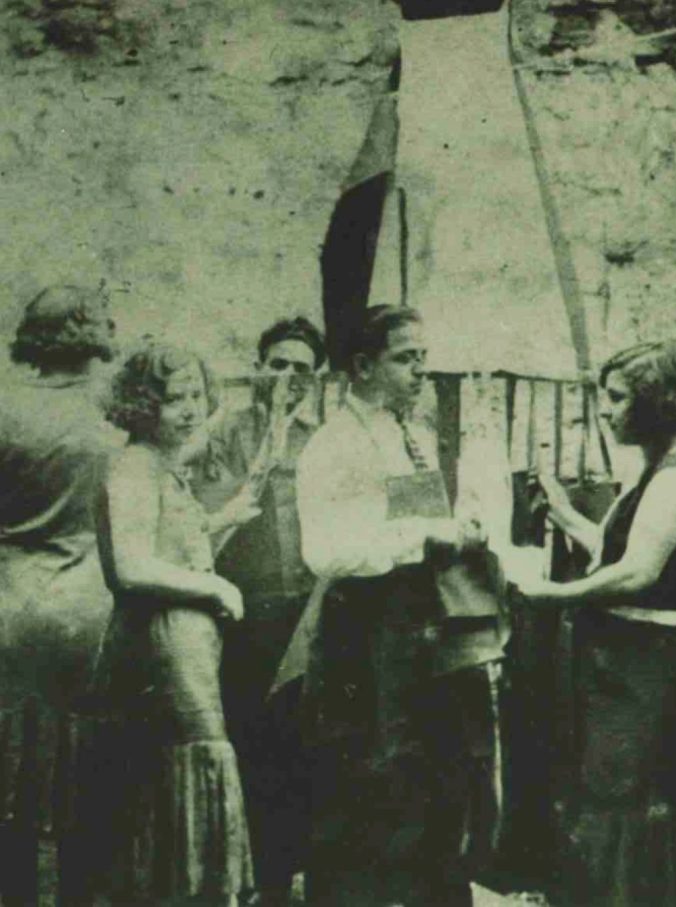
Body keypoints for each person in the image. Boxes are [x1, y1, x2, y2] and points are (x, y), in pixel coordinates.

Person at [291, 305, 506, 907]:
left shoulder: (403, 432)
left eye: (423, 358)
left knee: (434, 784)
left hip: (420, 632)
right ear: (362, 365)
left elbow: (419, 518)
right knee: (366, 786)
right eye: (405, 358)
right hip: (363, 637)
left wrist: (458, 523)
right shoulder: (334, 447)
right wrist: (425, 538)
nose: (420, 372)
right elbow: (327, 552)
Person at [515, 341, 676, 907]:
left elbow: (637, 573)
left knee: (618, 802)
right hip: (623, 662)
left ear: (654, 402)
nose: (606, 410)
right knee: (607, 796)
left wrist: (555, 594)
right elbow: (617, 550)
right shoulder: (658, 467)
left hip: (643, 665)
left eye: (617, 398)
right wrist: (564, 513)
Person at [92, 340, 260, 906]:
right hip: (160, 646)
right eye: (172, 399)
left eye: (195, 395)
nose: (189, 409)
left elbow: (172, 544)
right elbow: (131, 566)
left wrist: (222, 520)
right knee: (179, 770)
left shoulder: (162, 465)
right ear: (142, 404)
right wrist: (215, 584)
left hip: (185, 645)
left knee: (174, 777)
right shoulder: (134, 466)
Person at [189, 316, 326, 906]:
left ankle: (284, 878)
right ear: (258, 366)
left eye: (301, 368)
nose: (287, 377)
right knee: (247, 741)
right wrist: (266, 437)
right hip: (243, 613)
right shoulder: (224, 435)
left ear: (316, 378)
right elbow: (212, 519)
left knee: (299, 745)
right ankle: (242, 879)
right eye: (277, 364)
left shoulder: (322, 440)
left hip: (308, 613)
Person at [0, 284, 123, 906]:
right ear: (85, 332)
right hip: (91, 617)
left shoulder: (3, 410)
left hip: (11, 614)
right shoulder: (111, 421)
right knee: (86, 791)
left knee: (10, 786)